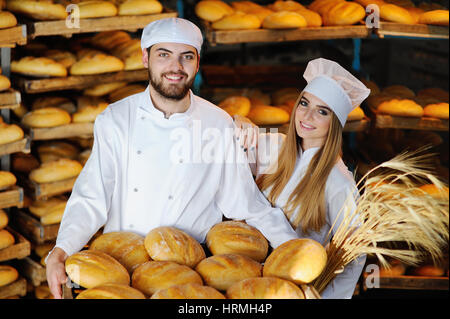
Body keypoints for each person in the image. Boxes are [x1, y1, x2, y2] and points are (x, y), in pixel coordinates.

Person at [45, 18, 298, 298]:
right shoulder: (116, 120)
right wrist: (61, 250)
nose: (175, 67)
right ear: (145, 58)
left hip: (191, 277)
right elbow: (92, 198)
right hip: (123, 271)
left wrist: (293, 250)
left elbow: (248, 205)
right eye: (164, 55)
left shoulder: (217, 124)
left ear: (197, 64)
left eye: (186, 57)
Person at [235, 58, 371, 299]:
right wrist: (239, 121)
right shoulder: (276, 146)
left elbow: (352, 253)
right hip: (246, 283)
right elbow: (227, 141)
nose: (307, 116)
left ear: (335, 124)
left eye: (322, 111)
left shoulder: (338, 182)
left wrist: (319, 295)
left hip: (288, 291)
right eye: (304, 103)